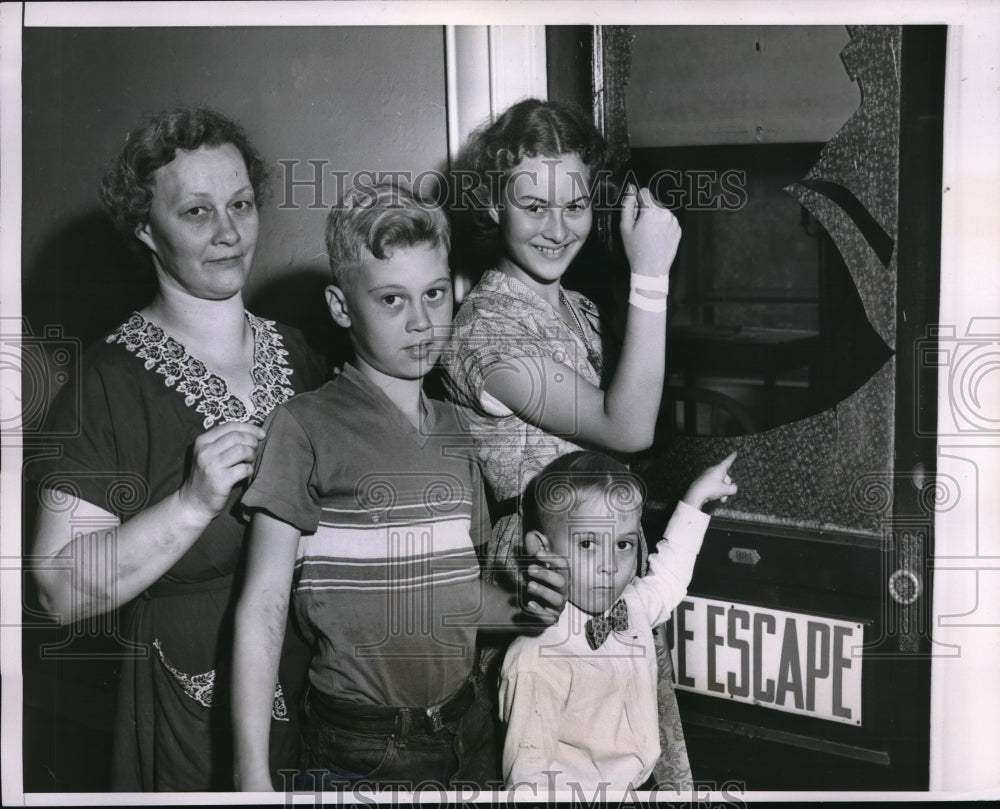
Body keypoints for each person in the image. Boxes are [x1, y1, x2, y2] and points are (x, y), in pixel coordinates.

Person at [231, 181, 568, 792]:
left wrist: (529, 608)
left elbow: (459, 603)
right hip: (359, 746)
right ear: (341, 307)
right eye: (391, 300)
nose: (421, 322)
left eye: (435, 294)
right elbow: (261, 608)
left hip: (468, 733)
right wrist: (250, 773)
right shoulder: (304, 426)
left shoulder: (454, 429)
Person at [29, 107, 328, 791]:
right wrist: (190, 504)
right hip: (188, 708)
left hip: (319, 690)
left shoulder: (301, 352)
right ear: (145, 228)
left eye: (241, 204)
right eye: (197, 212)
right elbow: (56, 589)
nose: (229, 233)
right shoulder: (104, 382)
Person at [441, 98, 690, 783]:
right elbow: (629, 426)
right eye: (534, 206)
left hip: (602, 559)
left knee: (628, 753)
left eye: (575, 205)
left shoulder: (577, 309)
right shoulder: (486, 331)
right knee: (562, 768)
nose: (558, 228)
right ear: (493, 205)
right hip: (545, 574)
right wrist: (649, 277)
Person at [499, 450, 737, 790]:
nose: (609, 564)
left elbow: (668, 577)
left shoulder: (632, 607)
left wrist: (695, 499)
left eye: (623, 543)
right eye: (587, 543)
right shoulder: (536, 658)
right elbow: (527, 782)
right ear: (542, 549)